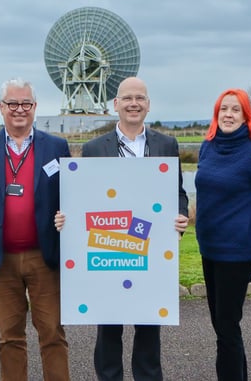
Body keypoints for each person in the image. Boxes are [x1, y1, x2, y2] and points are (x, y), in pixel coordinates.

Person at [57, 76, 189, 381]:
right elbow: (84, 198)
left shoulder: (166, 144)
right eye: (128, 98)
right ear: (115, 104)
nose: (134, 103)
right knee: (109, 330)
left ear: (148, 104)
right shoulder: (94, 148)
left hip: (151, 248)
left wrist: (180, 218)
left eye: (140, 98)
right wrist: (69, 220)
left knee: (148, 328)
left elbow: (177, 193)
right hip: (109, 247)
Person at [0, 78, 71, 381]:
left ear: (34, 107)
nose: (19, 110)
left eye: (25, 104)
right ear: (1, 108)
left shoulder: (56, 146)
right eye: (12, 104)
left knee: (52, 333)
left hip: (45, 257)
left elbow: (72, 198)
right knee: (10, 336)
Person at [194, 89, 251, 380]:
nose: (228, 115)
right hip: (210, 248)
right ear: (216, 115)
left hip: (238, 252)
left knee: (227, 326)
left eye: (235, 110)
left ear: (246, 117)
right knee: (223, 325)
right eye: (223, 109)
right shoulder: (207, 147)